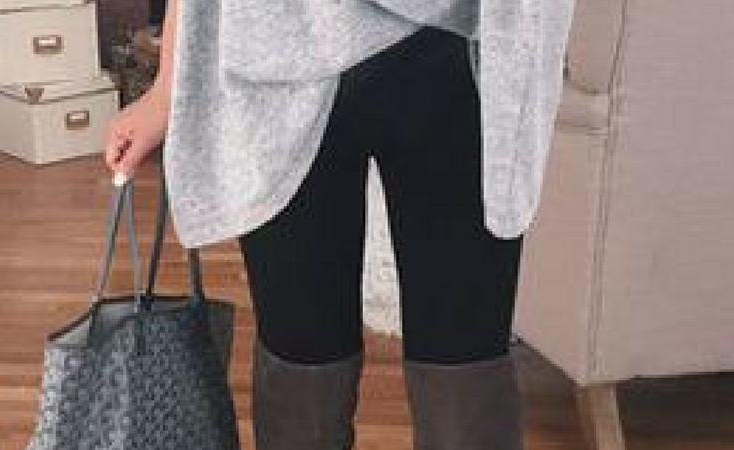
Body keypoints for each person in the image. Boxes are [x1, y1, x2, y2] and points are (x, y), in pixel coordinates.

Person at [104, 1, 575, 449]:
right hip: (276, 59)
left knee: (466, 377)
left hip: (461, 46)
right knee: (300, 373)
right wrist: (168, 87)